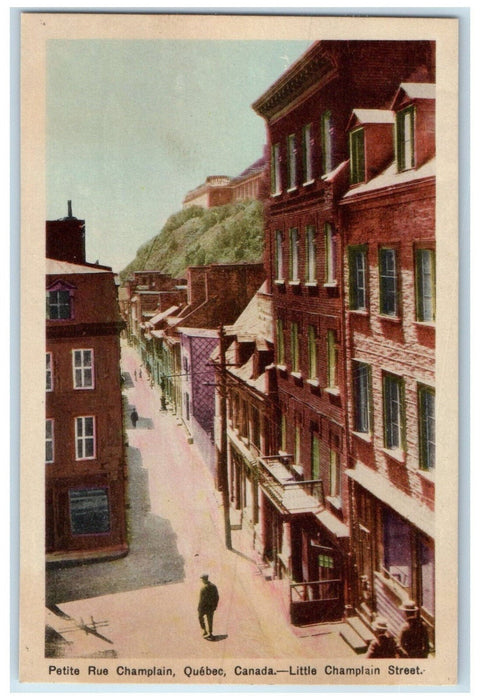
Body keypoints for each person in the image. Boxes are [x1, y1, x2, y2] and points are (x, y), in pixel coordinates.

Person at [198, 574, 219, 640]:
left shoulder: (203, 589)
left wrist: (199, 608)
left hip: (204, 607)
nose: (202, 581)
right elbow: (217, 597)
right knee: (210, 620)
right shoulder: (214, 586)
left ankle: (204, 630)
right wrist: (215, 606)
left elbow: (201, 600)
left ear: (204, 580)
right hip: (211, 607)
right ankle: (210, 633)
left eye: (202, 579)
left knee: (200, 617)